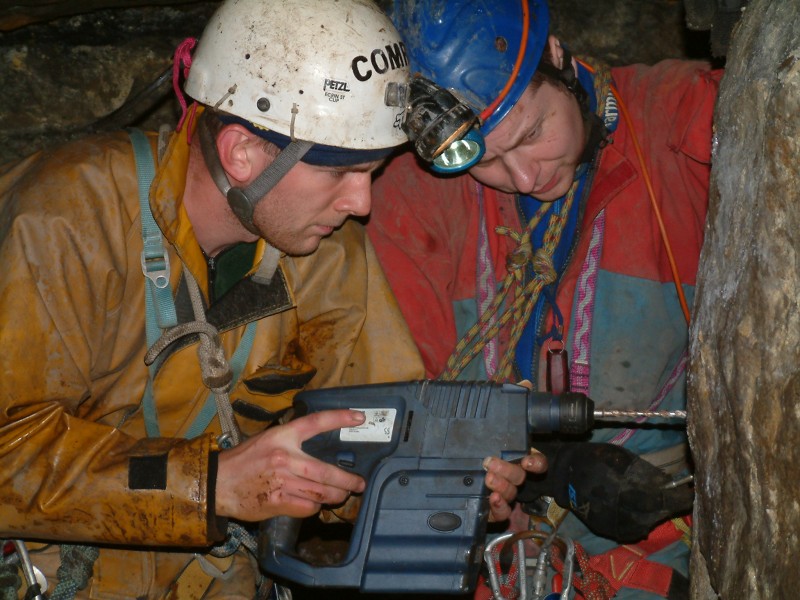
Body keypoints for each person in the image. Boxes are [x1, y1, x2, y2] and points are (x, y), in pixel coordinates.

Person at [0, 0, 541, 597]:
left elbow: (374, 431)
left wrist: (447, 476)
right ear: (242, 153)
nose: (362, 203)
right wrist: (210, 484)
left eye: (372, 171)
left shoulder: (326, 252)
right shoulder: (66, 220)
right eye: (339, 173)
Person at [368, 0, 723, 598]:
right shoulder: (411, 197)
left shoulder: (674, 121)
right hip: (491, 551)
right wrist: (537, 474)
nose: (526, 177)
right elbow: (394, 409)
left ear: (557, 56)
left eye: (532, 133)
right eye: (485, 160)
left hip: (667, 539)